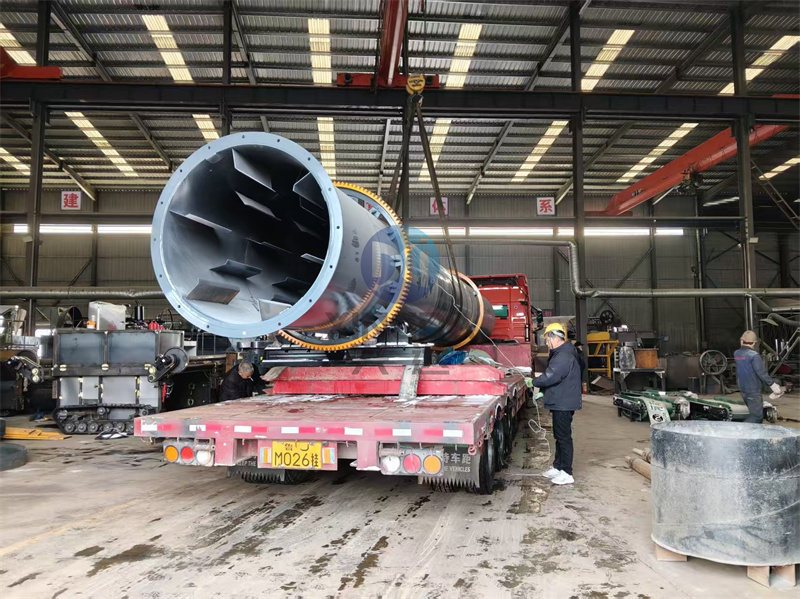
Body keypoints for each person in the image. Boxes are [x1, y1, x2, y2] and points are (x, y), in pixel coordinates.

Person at [532, 323, 582, 486]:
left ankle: (567, 472)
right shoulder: (563, 353)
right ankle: (558, 466)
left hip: (564, 403)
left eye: (548, 340)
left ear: (555, 338)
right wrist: (544, 392)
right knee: (559, 436)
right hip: (560, 400)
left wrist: (534, 382)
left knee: (563, 437)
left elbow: (551, 376)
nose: (547, 343)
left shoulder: (563, 355)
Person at [734, 330, 782, 423]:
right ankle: (740, 430)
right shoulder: (754, 356)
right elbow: (761, 373)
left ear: (741, 341)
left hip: (743, 388)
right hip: (753, 390)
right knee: (756, 417)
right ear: (754, 343)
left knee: (752, 412)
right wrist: (773, 385)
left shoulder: (737, 354)